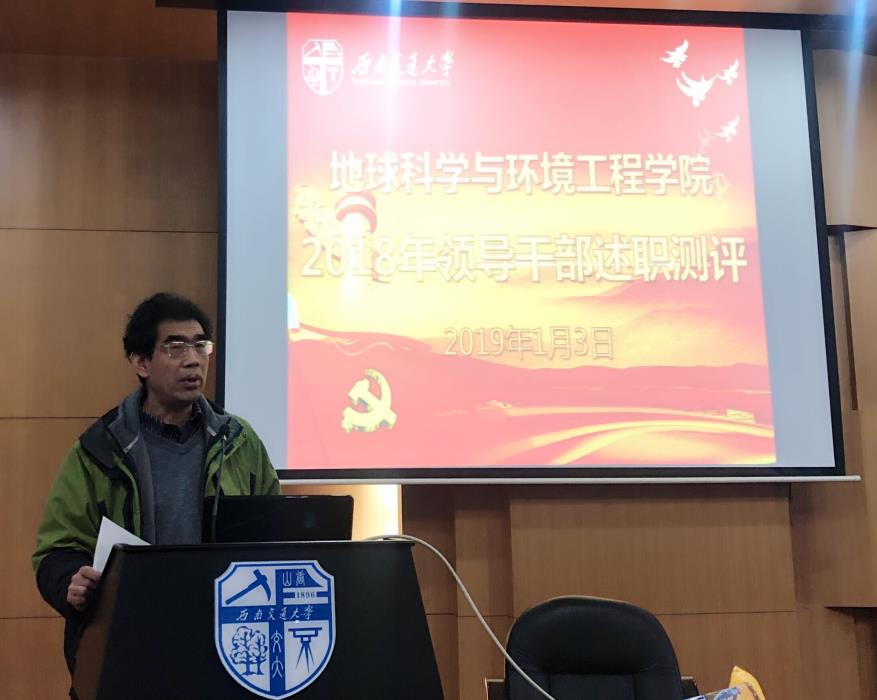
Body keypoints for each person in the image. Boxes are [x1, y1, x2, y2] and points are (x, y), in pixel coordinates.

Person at [32, 292, 280, 684]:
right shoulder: (101, 449)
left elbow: (276, 533)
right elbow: (56, 548)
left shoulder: (238, 441)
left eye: (200, 345)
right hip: (129, 640)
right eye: (175, 347)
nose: (193, 359)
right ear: (141, 362)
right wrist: (70, 580)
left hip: (227, 638)